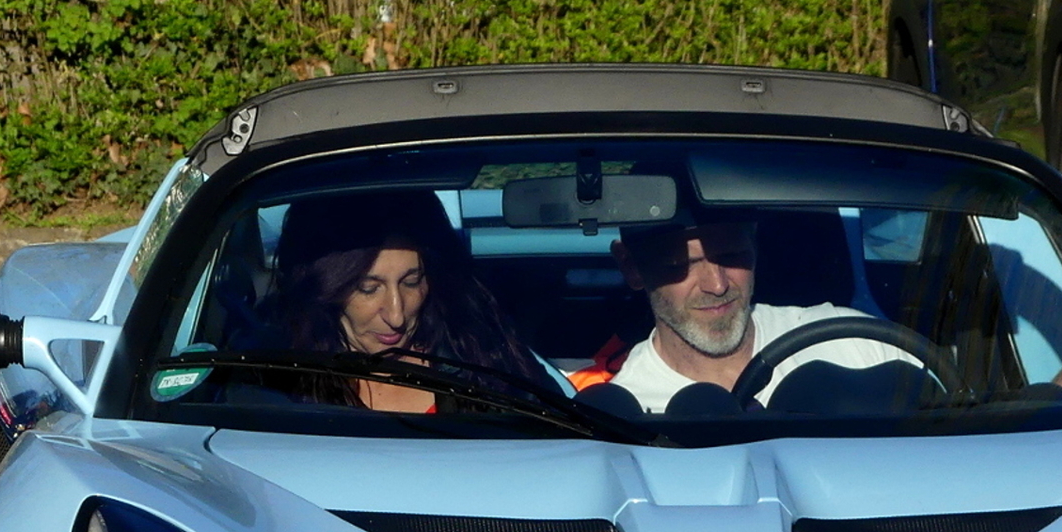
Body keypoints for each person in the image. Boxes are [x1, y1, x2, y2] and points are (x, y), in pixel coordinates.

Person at [267, 193, 550, 412]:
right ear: (324, 289)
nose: (396, 315)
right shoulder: (274, 382)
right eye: (368, 288)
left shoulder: (484, 360)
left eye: (411, 282)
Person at [604, 215, 916, 413]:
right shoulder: (623, 416)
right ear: (631, 268)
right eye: (680, 265)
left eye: (731, 255)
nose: (717, 284)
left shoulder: (858, 343)